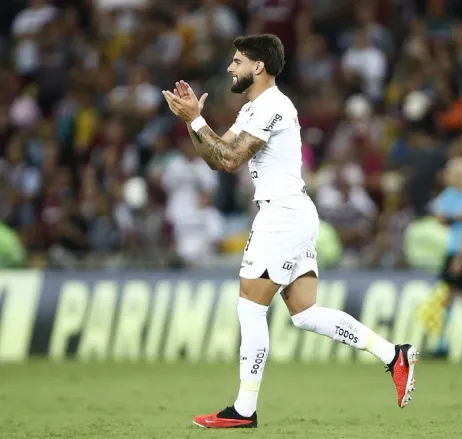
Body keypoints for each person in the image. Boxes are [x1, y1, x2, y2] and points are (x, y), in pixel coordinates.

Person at [161, 34, 418, 429]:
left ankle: (244, 410)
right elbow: (216, 159)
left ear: (258, 67)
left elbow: (229, 159)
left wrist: (195, 120)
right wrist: (193, 120)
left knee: (250, 304)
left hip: (281, 215)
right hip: (291, 212)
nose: (230, 67)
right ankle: (394, 355)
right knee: (305, 313)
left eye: (237, 61)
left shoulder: (273, 106)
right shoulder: (252, 110)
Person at [420, 157, 462, 356]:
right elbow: (439, 215)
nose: (446, 177)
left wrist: (461, 255)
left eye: (450, 173)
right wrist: (460, 216)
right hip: (453, 250)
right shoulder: (450, 194)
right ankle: (442, 345)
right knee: (448, 297)